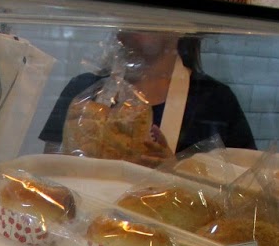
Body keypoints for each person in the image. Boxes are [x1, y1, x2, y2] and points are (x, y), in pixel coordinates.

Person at [38, 32, 256, 159]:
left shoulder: (216, 101)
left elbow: (239, 194)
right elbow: (51, 176)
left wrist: (172, 172)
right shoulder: (82, 93)